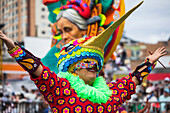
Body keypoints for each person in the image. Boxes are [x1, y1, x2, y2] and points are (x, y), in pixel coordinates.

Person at [0, 1, 167, 112]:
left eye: (96, 63)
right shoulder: (60, 88)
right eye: (87, 62)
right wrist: (13, 47)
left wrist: (150, 62)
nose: (93, 66)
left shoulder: (109, 93)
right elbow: (36, 68)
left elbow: (133, 80)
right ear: (73, 68)